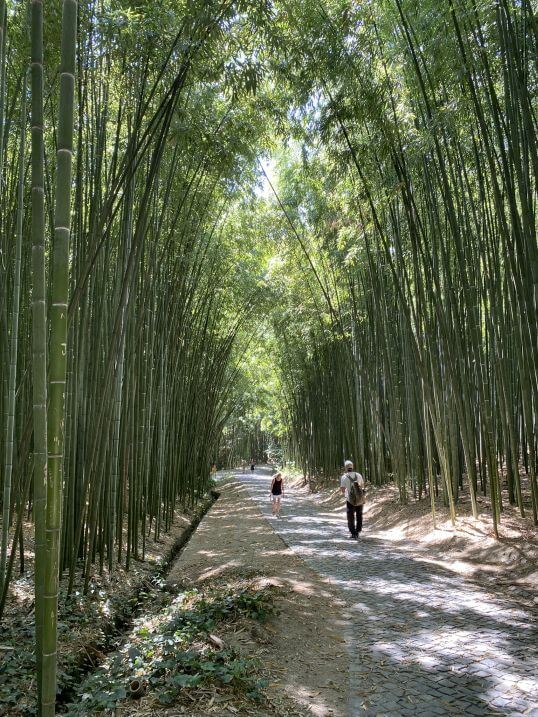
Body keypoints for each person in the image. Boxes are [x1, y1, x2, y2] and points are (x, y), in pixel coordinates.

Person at [340, 459, 365, 539]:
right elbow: (362, 485)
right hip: (359, 498)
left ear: (345, 468)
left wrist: (347, 492)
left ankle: (353, 532)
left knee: (350, 516)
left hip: (350, 499)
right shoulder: (358, 475)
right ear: (352, 467)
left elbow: (343, 490)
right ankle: (358, 530)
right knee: (359, 514)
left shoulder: (344, 477)